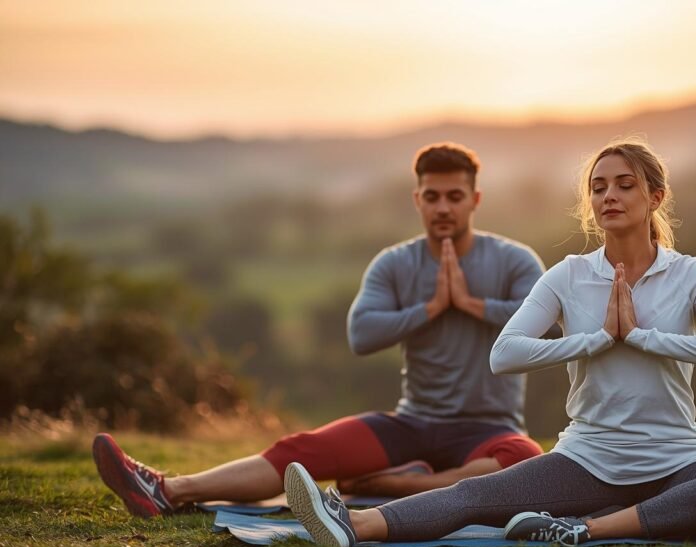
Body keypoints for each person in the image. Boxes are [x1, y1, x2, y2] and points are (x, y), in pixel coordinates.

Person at [284, 137, 696, 547]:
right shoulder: (569, 276)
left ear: (656, 197)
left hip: (676, 457)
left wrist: (641, 337)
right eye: (598, 188)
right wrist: (593, 341)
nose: (609, 196)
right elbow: (505, 354)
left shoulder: (690, 274)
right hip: (588, 458)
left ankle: (585, 528)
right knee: (474, 495)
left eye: (625, 185)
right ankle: (351, 523)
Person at [92, 142, 547, 518]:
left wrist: (468, 304)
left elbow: (539, 333)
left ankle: (397, 483)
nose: (443, 207)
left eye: (454, 196)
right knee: (300, 449)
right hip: (412, 422)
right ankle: (165, 490)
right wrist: (430, 308)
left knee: (527, 460)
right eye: (432, 197)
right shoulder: (394, 263)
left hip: (487, 429)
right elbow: (362, 335)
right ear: (417, 200)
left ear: (475, 200)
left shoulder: (515, 261)